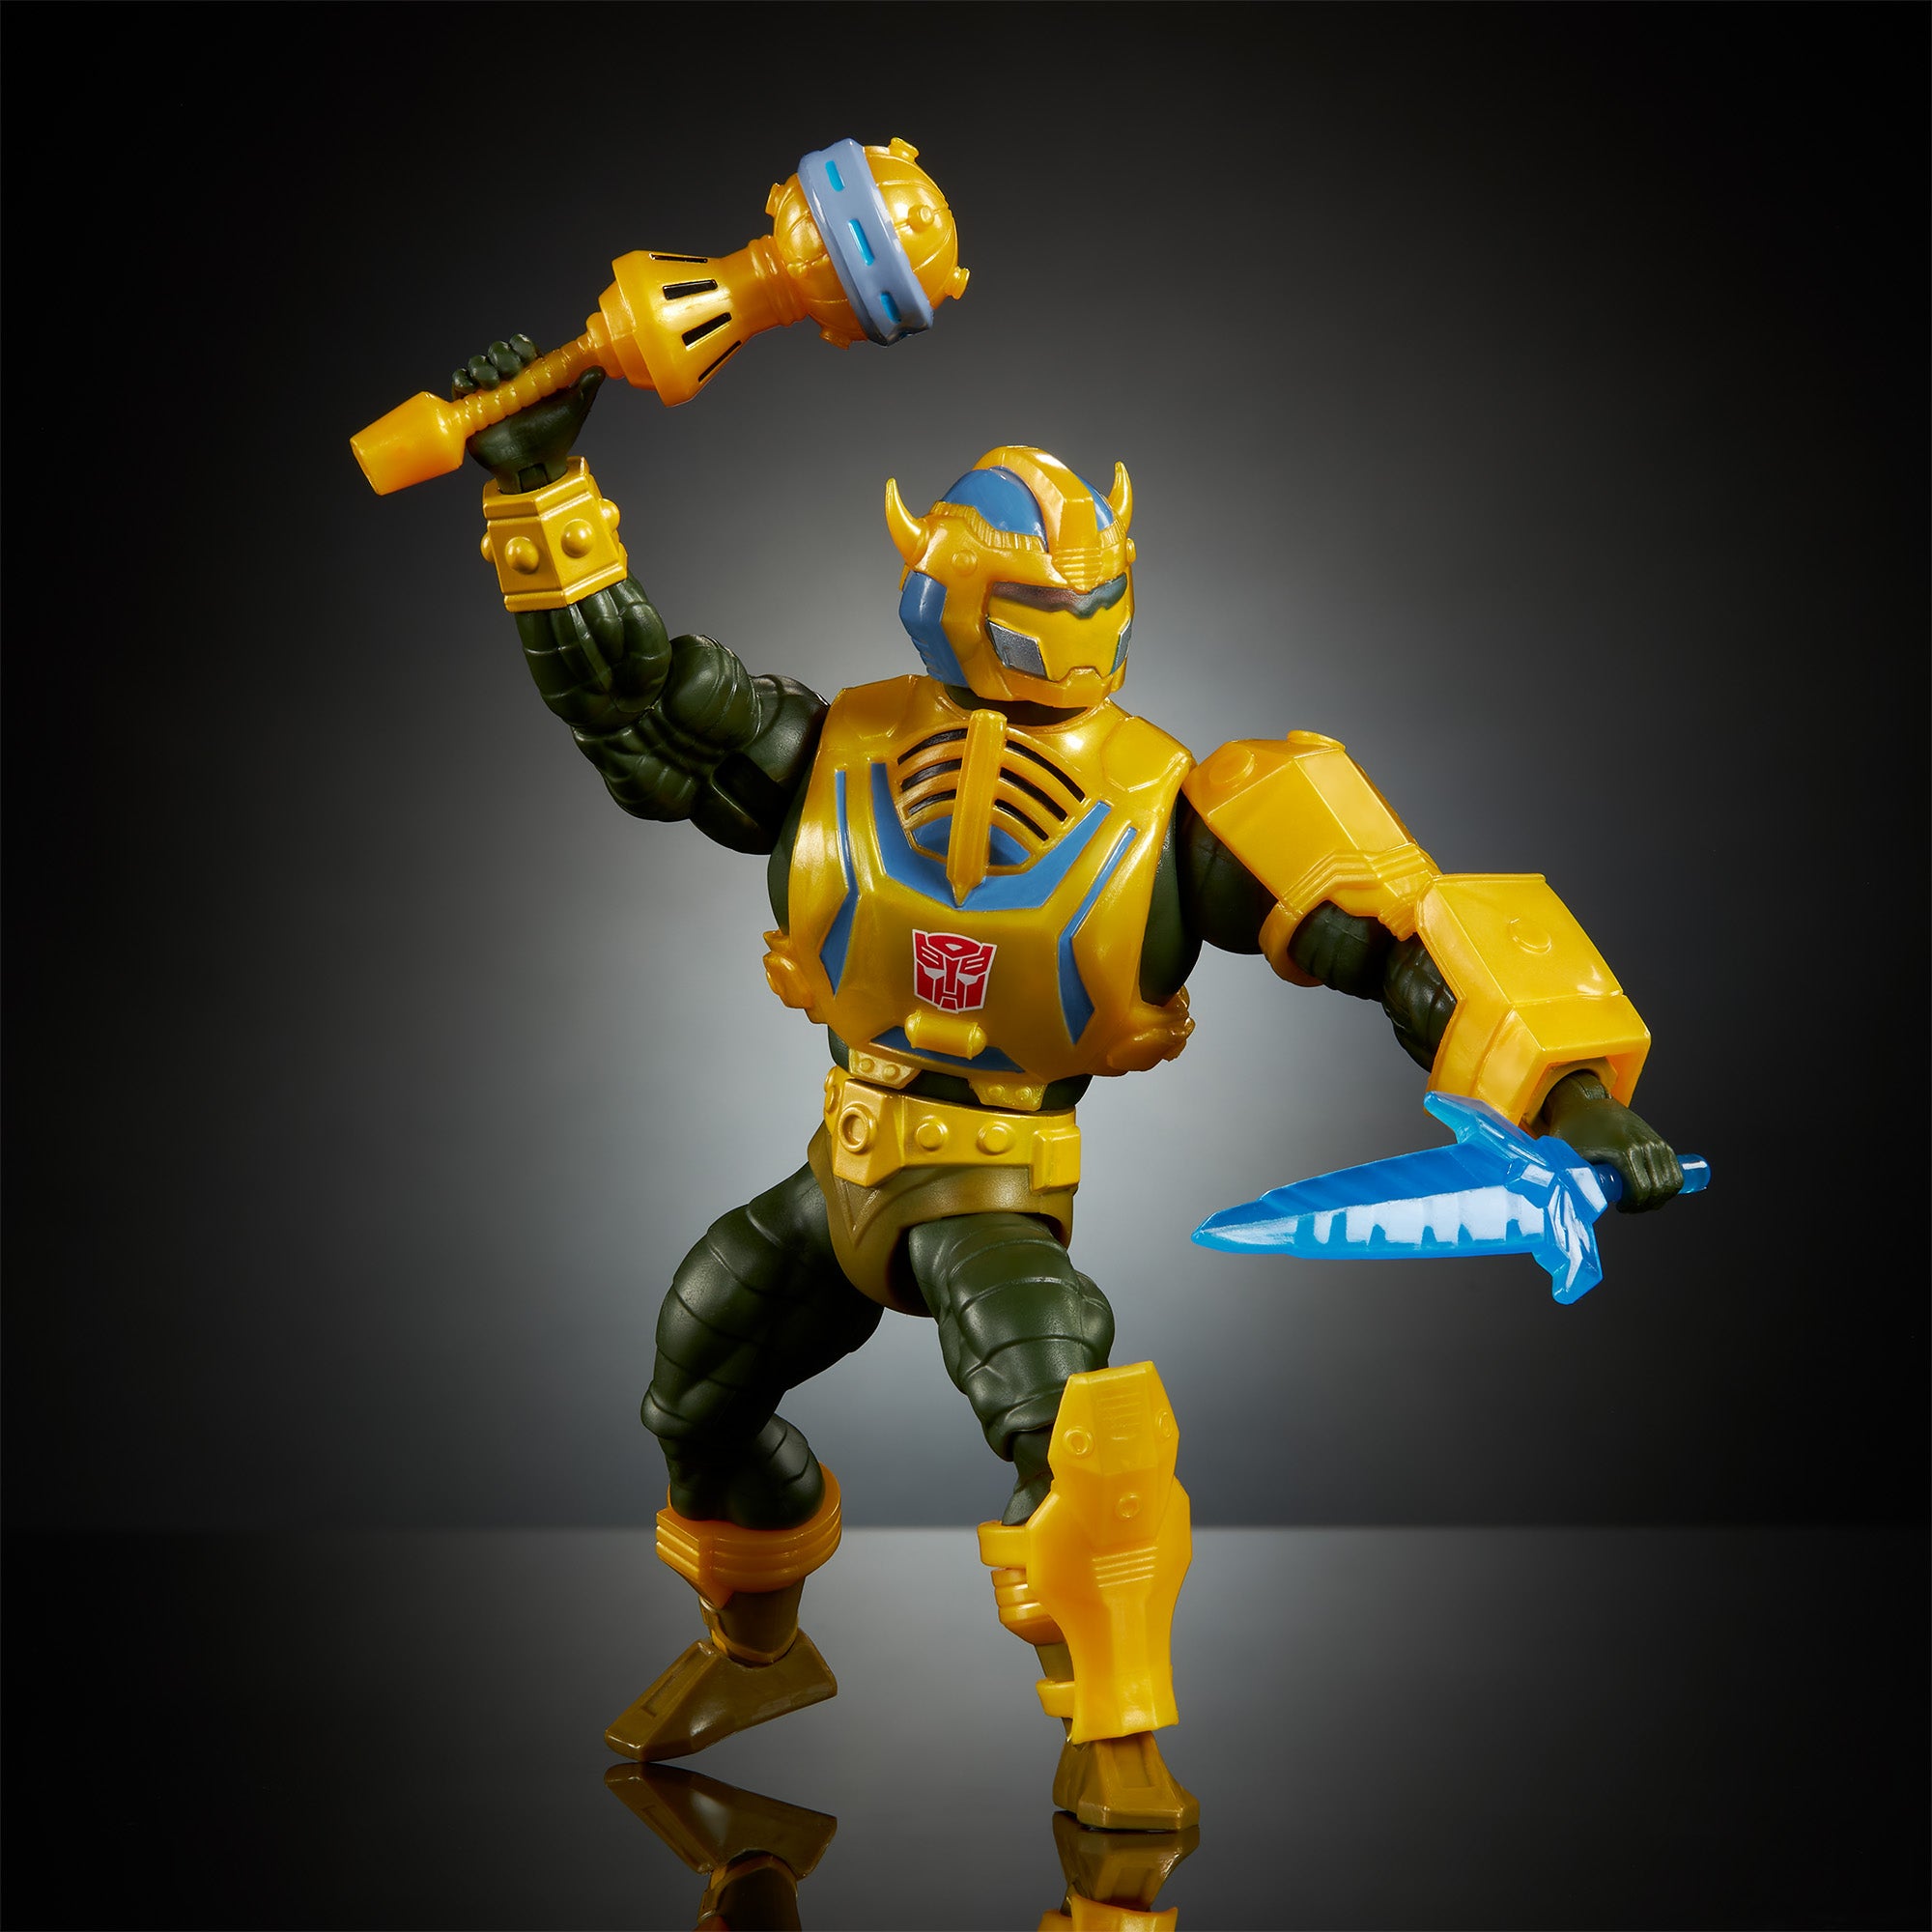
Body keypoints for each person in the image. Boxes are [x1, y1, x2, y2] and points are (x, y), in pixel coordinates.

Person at [455, 336, 1685, 1830]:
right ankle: (754, 1650)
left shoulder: (1176, 806)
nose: (1073, 632)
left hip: (991, 1190)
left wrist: (1568, 1094)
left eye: (1091, 599)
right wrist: (539, 485)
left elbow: (1404, 935)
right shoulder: (836, 745)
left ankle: (1120, 1742)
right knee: (696, 1389)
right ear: (949, 599)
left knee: (1077, 1427)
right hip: (842, 1167)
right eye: (1038, 603)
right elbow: (634, 705)